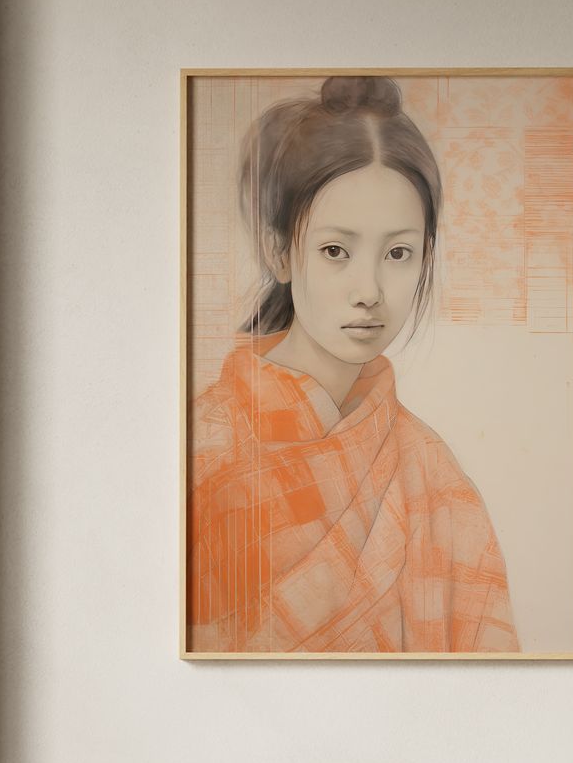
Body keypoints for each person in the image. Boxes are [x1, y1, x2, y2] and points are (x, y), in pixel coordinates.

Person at [189, 76, 520, 654]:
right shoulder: (201, 452)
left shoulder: (435, 480)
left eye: (398, 253)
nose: (369, 291)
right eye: (335, 251)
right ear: (278, 250)